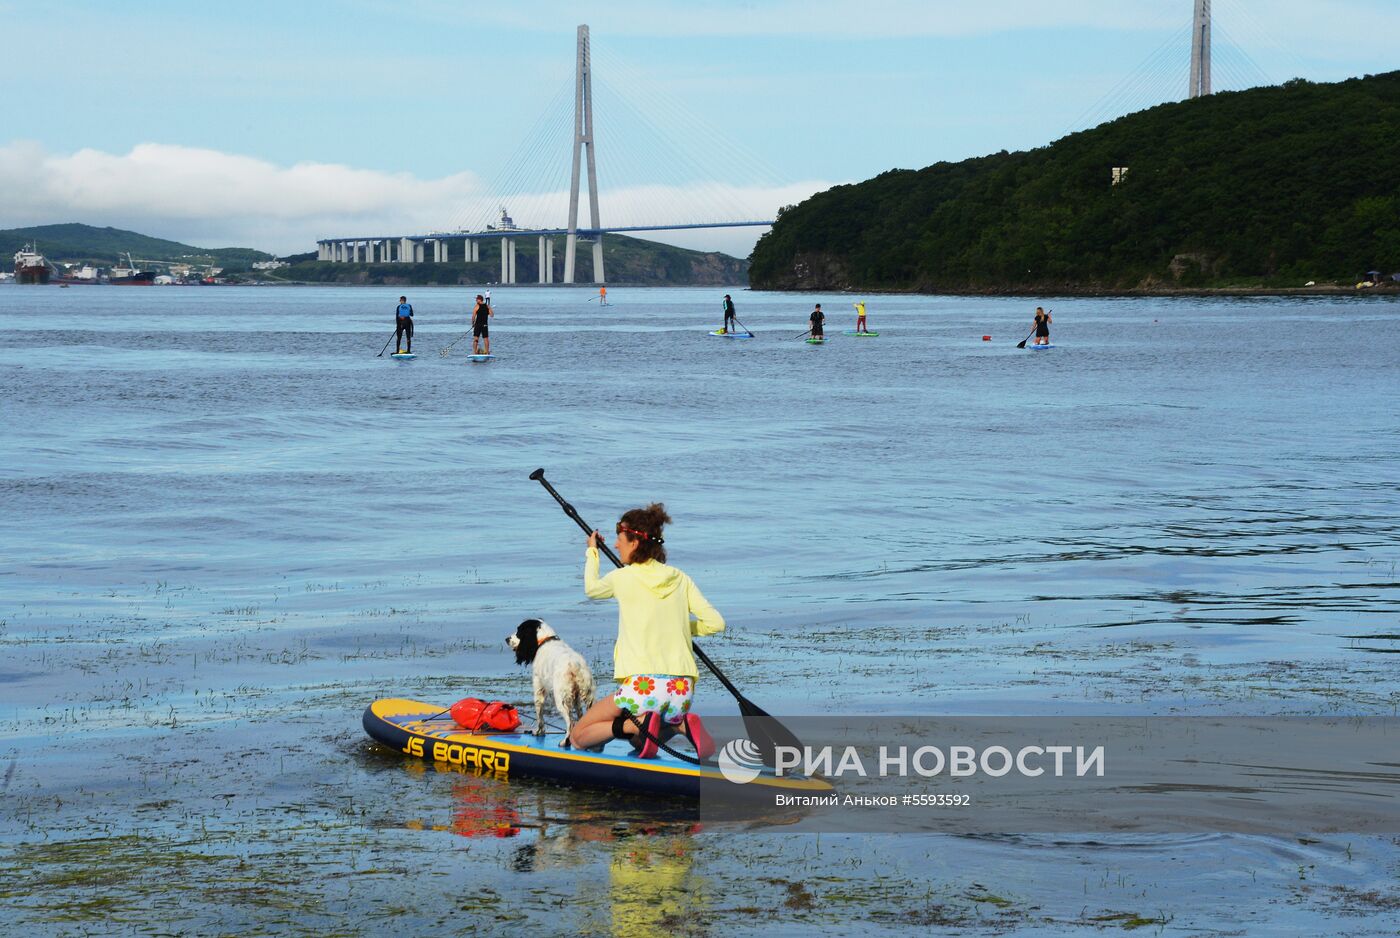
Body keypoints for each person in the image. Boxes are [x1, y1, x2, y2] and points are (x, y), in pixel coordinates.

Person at [569, 504, 723, 760]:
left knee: (578, 737)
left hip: (643, 688)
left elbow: (592, 589)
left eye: (620, 540)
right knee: (642, 742)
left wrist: (592, 552)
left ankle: (632, 724)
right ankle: (680, 724)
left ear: (634, 543)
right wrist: (680, 629)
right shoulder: (680, 578)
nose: (616, 546)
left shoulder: (623, 577)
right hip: (681, 691)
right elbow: (716, 622)